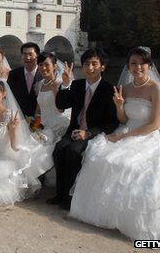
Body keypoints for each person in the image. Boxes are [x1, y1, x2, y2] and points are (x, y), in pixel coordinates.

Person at [69, 47, 160, 241]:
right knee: (99, 156)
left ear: (149, 66)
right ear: (128, 66)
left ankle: (127, 221)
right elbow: (123, 119)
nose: (137, 67)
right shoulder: (127, 88)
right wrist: (119, 106)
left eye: (142, 63)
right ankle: (102, 214)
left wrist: (124, 137)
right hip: (126, 129)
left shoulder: (156, 89)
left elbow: (155, 124)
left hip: (146, 136)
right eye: (133, 63)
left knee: (127, 165)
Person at [49, 48, 119, 210]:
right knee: (59, 149)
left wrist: (87, 133)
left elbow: (112, 123)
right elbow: (61, 104)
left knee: (73, 152)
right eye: (87, 64)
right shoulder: (77, 85)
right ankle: (60, 194)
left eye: (95, 64)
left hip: (94, 134)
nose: (90, 68)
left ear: (102, 67)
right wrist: (65, 85)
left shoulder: (109, 89)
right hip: (74, 130)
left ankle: (71, 198)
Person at [33, 52, 70, 144]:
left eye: (47, 64)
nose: (43, 68)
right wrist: (35, 126)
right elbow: (38, 110)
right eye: (41, 65)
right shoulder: (40, 84)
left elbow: (61, 110)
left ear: (54, 66)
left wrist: (55, 91)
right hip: (43, 126)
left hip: (58, 126)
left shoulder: (62, 83)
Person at [8, 42, 43, 118]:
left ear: (37, 56)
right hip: (18, 119)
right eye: (24, 54)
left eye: (30, 54)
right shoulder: (13, 74)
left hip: (40, 120)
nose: (27, 57)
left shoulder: (43, 75)